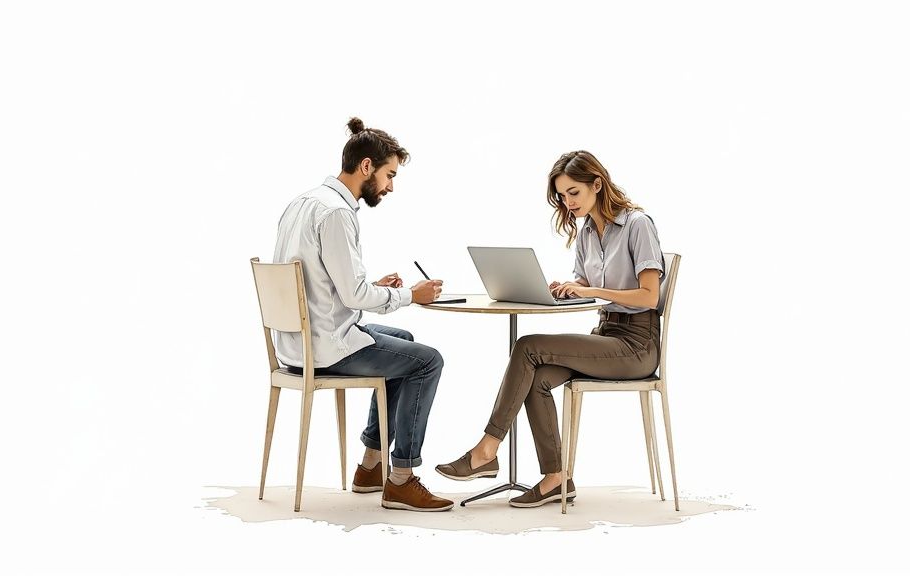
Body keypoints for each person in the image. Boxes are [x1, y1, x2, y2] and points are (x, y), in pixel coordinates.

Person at [435, 150, 665, 508]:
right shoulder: (588, 230)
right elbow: (584, 283)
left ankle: (486, 449)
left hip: (637, 346)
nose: (567, 202)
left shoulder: (637, 224)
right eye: (561, 195)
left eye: (573, 192)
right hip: (606, 334)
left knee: (528, 345)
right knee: (536, 374)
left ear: (597, 184)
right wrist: (567, 287)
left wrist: (591, 291)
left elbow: (650, 296)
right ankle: (556, 479)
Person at [273, 117, 453, 512]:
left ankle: (370, 467)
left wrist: (381, 289)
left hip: (296, 344)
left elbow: (324, 282)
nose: (390, 186)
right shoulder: (337, 212)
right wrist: (410, 295)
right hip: (326, 346)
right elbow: (354, 295)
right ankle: (402, 479)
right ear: (367, 167)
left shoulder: (302, 202)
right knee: (428, 362)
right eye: (389, 175)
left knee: (402, 343)